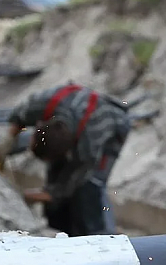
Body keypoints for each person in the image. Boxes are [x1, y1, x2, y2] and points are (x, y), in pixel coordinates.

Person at [0, 83, 131, 236]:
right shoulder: (43, 104)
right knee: (54, 180)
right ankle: (59, 227)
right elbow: (17, 119)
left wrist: (20, 198)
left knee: (90, 186)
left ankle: (104, 235)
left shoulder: (88, 149)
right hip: (77, 122)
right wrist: (5, 145)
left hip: (113, 128)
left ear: (66, 153)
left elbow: (65, 187)